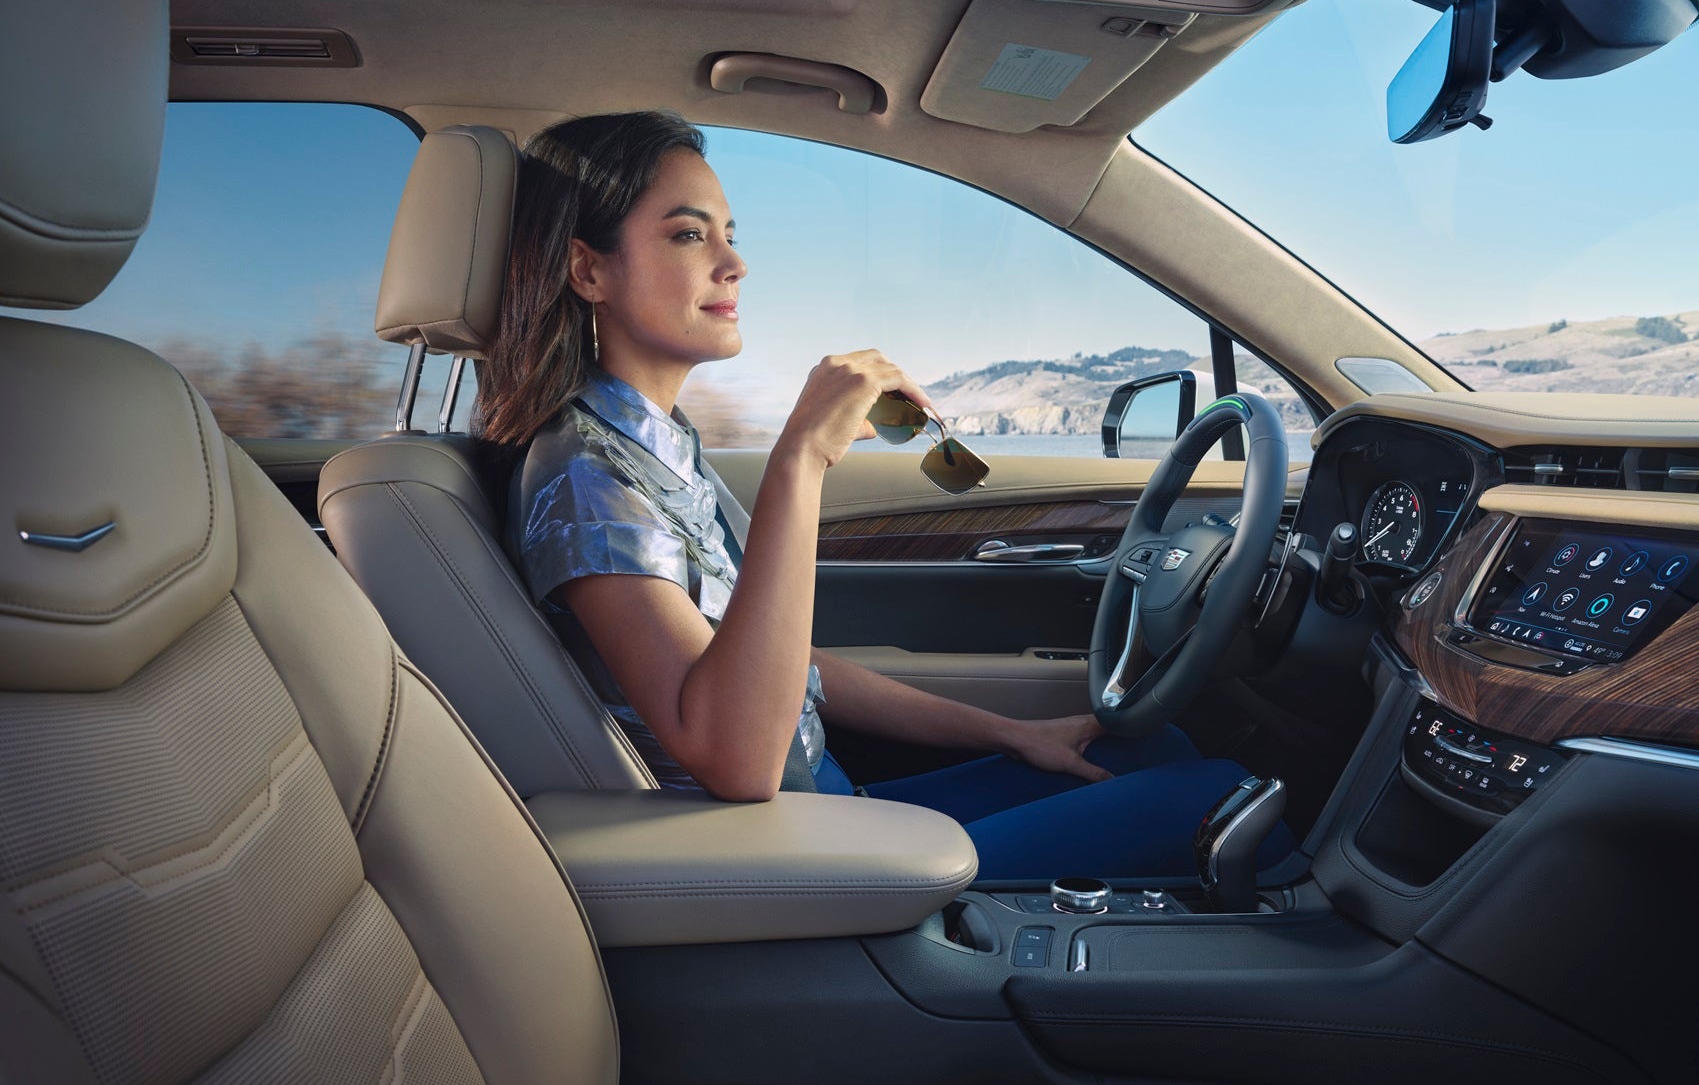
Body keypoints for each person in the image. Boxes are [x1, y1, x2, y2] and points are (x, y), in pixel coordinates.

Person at [483, 111, 1290, 879]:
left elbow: (780, 664)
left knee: (1151, 751)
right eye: (690, 235)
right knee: (1221, 794)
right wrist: (802, 457)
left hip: (831, 808)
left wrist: (1012, 734)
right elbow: (736, 756)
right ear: (588, 269)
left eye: (731, 236)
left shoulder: (652, 443)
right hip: (789, 859)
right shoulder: (587, 480)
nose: (735, 264)